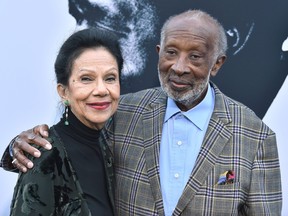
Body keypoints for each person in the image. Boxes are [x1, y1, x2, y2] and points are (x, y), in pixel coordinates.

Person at [1, 9, 282, 215]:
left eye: (195, 56)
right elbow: (70, 145)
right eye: (171, 53)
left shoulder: (255, 137)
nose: (179, 67)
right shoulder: (123, 111)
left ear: (217, 63)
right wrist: (18, 147)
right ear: (159, 52)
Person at [4, 27, 123, 215]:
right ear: (63, 92)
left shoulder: (114, 143)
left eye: (110, 78)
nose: (101, 90)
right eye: (86, 79)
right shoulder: (46, 156)